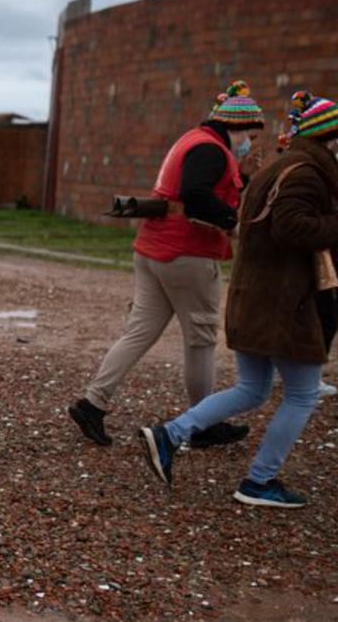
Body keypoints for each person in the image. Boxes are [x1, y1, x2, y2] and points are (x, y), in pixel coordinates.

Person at [139, 91, 338, 509]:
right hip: (284, 302)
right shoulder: (306, 173)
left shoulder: (282, 167)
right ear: (330, 139)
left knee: (253, 387)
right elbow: (292, 228)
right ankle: (258, 481)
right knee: (301, 394)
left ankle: (170, 434)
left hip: (256, 296)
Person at [69, 80, 263, 448]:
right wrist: (233, 224)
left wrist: (246, 176)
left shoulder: (192, 140)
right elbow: (195, 195)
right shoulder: (212, 151)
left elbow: (198, 189)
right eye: (250, 134)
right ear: (235, 127)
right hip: (187, 252)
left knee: (139, 332)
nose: (249, 143)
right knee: (201, 340)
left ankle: (93, 402)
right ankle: (201, 423)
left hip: (153, 248)